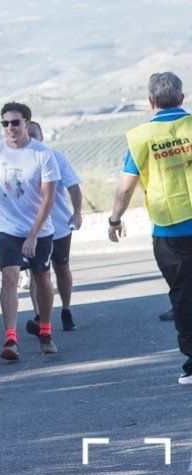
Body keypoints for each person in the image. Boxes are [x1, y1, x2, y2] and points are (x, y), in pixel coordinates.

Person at [109, 72, 192, 385]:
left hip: (170, 231)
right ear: (182, 98)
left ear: (150, 101)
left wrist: (115, 219)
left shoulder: (141, 137)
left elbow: (126, 187)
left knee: (183, 296)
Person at [0, 102, 60, 360]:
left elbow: (48, 199)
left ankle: (45, 331)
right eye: (5, 123)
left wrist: (34, 235)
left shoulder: (42, 154)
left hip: (39, 230)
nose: (10, 128)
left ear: (26, 123)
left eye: (15, 122)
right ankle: (10, 339)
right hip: (8, 230)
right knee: (10, 277)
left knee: (42, 279)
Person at [25, 121, 83, 333]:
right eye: (28, 135)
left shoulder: (56, 158)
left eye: (34, 135)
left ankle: (66, 310)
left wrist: (76, 212)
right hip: (33, 230)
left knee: (61, 268)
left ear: (41, 137)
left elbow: (74, 187)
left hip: (58, 226)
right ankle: (40, 317)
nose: (31, 139)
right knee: (38, 273)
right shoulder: (18, 162)